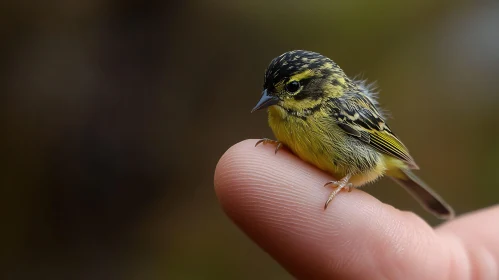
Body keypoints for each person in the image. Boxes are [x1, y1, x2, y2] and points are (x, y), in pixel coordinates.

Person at [214, 140, 499, 279]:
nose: (270, 99)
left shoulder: (336, 108)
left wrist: (346, 180)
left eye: (290, 89)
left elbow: (372, 145)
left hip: (373, 156)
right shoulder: (278, 113)